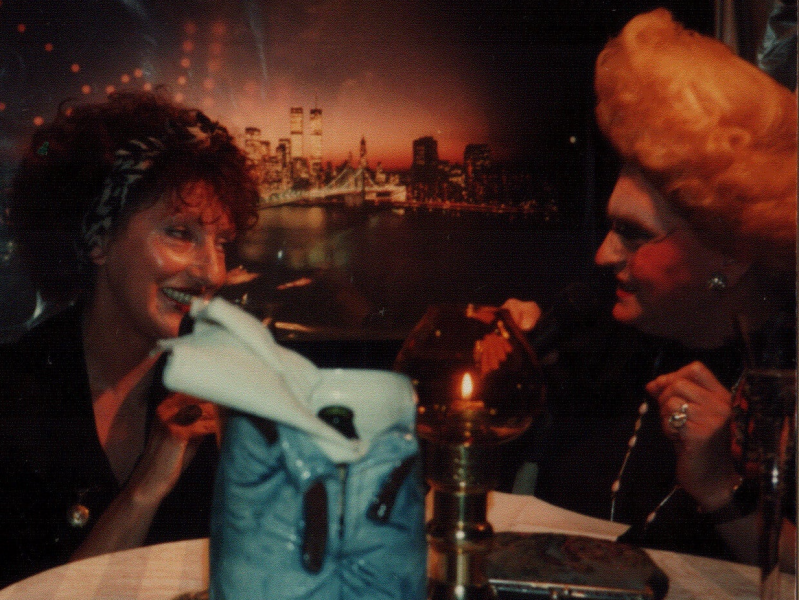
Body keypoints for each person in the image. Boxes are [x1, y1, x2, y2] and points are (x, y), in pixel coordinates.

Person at [504, 9, 796, 565]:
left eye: (634, 234)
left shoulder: (785, 382)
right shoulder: (603, 345)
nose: (603, 255)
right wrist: (510, 373)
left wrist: (720, 489)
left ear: (731, 254)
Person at [0, 90, 260, 586]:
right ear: (97, 237)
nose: (213, 272)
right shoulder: (13, 399)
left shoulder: (227, 393)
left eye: (222, 242)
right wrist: (148, 484)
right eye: (180, 233)